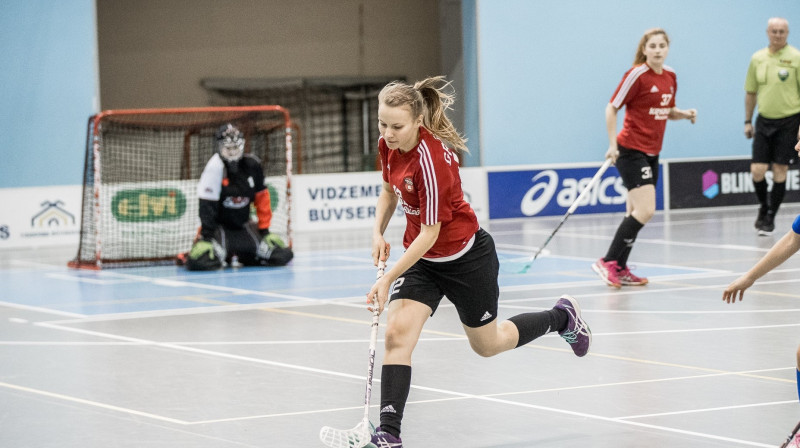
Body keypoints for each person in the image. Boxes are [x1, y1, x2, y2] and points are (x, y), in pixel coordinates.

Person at [364, 76, 592, 447]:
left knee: (488, 345)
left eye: (396, 126)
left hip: (466, 259)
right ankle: (389, 433)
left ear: (417, 122)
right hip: (423, 263)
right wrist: (378, 232)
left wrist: (388, 277)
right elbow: (388, 191)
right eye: (382, 124)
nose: (387, 133)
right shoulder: (388, 146)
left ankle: (562, 317)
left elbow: (430, 233)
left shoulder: (431, 160)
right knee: (396, 335)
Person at [592, 28, 697, 289]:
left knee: (635, 212)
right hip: (630, 150)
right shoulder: (637, 75)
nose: (658, 50)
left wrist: (684, 114)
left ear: (667, 48)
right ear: (645, 49)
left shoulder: (671, 76)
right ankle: (607, 261)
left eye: (662, 45)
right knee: (646, 210)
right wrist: (612, 144)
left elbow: (666, 110)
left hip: (653, 152)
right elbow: (612, 106)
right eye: (653, 46)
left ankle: (621, 267)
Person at [184, 123, 293, 270]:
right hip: (220, 229)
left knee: (282, 255)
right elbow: (206, 208)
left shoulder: (253, 166)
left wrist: (264, 230)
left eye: (235, 148)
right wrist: (206, 237)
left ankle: (248, 255)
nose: (232, 152)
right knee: (200, 261)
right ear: (220, 147)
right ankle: (224, 254)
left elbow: (262, 200)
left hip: (244, 227)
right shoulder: (214, 168)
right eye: (228, 148)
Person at [744, 17, 800, 236]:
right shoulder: (757, 58)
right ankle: (763, 206)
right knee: (757, 170)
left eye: (782, 31)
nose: (778, 35)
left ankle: (770, 218)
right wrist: (748, 120)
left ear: (787, 33)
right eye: (774, 31)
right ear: (767, 32)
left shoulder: (796, 58)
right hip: (764, 120)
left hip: (789, 120)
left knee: (780, 169)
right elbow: (750, 92)